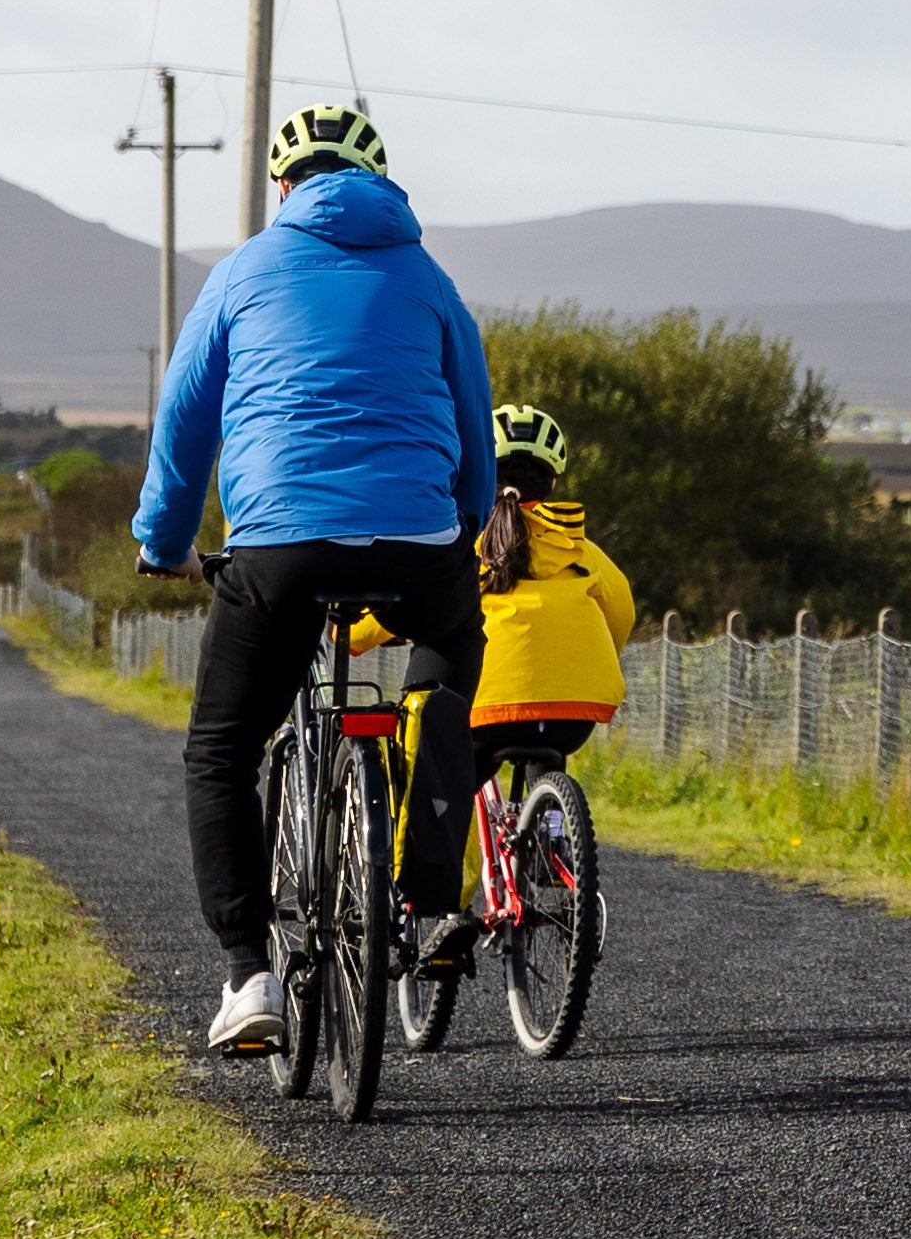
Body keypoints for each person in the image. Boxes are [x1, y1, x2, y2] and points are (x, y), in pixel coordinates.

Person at [134, 102, 497, 1056]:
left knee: (219, 750)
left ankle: (248, 975)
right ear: (379, 179)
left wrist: (164, 539)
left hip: (280, 551)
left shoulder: (243, 273)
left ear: (284, 187)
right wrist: (459, 526)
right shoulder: (428, 277)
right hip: (418, 545)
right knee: (452, 665)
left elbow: (185, 420)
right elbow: (473, 415)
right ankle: (423, 901)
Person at [454, 401, 634, 759]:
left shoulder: (468, 546)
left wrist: (353, 636)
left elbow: (422, 596)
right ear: (552, 481)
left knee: (453, 789)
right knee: (548, 754)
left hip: (490, 707)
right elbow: (623, 613)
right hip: (574, 712)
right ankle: (550, 812)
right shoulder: (579, 548)